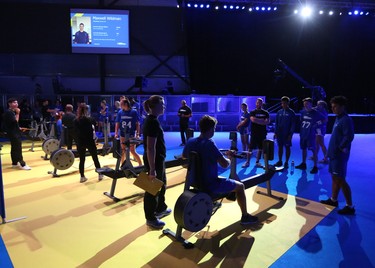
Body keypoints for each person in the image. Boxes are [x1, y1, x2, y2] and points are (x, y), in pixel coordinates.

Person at [183, 115, 258, 225]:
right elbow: (224, 164)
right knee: (240, 186)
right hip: (210, 184)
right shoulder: (210, 143)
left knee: (224, 180)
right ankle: (245, 216)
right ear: (210, 129)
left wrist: (211, 155)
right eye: (214, 128)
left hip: (193, 180)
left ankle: (225, 195)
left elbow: (185, 156)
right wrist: (230, 157)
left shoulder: (190, 141)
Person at [320, 96, 355, 215]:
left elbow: (349, 136)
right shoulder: (338, 118)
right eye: (332, 106)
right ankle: (333, 200)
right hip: (334, 155)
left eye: (335, 106)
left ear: (342, 107)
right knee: (335, 178)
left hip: (339, 156)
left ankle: (350, 206)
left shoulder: (346, 119)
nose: (333, 109)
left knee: (341, 180)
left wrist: (341, 147)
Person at [142, 95, 171, 229]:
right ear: (154, 107)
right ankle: (150, 218)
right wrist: (152, 169)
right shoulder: (152, 122)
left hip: (159, 159)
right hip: (154, 161)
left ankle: (160, 208)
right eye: (162, 104)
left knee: (162, 184)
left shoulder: (153, 120)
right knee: (152, 190)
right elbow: (150, 147)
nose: (164, 106)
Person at [295, 97, 326, 174]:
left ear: (311, 104)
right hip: (303, 134)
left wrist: (316, 124)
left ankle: (315, 166)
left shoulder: (315, 112)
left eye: (307, 104)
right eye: (304, 104)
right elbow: (301, 122)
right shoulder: (302, 112)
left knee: (314, 150)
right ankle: (303, 163)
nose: (306, 105)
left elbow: (324, 119)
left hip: (311, 135)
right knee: (303, 149)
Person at [74, 103, 103, 183]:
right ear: (86, 110)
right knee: (95, 158)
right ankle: (100, 174)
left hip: (80, 142)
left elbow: (75, 132)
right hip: (90, 141)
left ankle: (82, 176)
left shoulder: (76, 120)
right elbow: (95, 125)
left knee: (82, 160)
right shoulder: (90, 119)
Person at [2, 98, 31, 170]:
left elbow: (12, 124)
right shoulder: (9, 112)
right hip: (13, 134)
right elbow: (15, 121)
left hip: (13, 132)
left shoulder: (10, 112)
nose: (16, 104)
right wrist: (18, 113)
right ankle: (22, 164)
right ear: (10, 104)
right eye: (14, 102)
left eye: (17, 103)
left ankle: (14, 163)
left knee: (14, 148)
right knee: (18, 148)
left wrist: (19, 128)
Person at [115, 99, 142, 166]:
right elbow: (117, 123)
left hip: (131, 134)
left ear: (126, 104)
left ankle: (140, 164)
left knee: (132, 150)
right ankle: (122, 165)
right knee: (123, 150)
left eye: (121, 104)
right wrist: (116, 133)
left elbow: (137, 123)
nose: (120, 106)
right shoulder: (120, 112)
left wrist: (138, 133)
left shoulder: (134, 112)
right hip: (122, 134)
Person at [274, 96, 296, 169]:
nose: (283, 104)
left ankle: (286, 162)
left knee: (287, 148)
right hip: (279, 134)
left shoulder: (291, 112)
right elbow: (276, 123)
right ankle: (280, 161)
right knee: (280, 147)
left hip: (287, 134)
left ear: (288, 103)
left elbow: (293, 124)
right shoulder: (279, 112)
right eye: (282, 103)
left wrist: (290, 134)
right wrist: (275, 132)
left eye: (285, 103)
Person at [247, 98, 270, 168]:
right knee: (250, 148)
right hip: (254, 133)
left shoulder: (266, 113)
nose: (258, 104)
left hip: (262, 133)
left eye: (260, 103)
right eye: (257, 103)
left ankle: (257, 161)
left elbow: (267, 122)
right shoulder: (252, 112)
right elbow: (253, 120)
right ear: (256, 103)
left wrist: (258, 121)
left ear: (262, 104)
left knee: (260, 148)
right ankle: (247, 161)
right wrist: (262, 121)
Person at [237, 102, 251, 167]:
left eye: (244, 107)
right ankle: (244, 152)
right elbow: (241, 121)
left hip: (246, 129)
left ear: (246, 107)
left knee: (246, 141)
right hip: (242, 129)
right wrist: (239, 126)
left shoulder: (248, 114)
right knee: (243, 142)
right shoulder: (242, 113)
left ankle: (248, 152)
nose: (242, 108)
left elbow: (245, 121)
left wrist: (238, 126)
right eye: (242, 107)